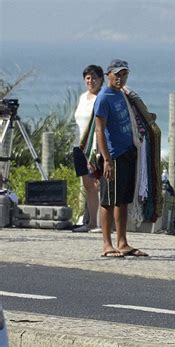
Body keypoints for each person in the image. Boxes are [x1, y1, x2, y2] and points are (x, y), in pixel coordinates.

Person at [94, 59, 148, 258]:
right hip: (113, 155)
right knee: (108, 200)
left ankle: (122, 242)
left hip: (128, 152)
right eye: (117, 74)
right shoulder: (104, 98)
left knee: (122, 200)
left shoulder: (122, 95)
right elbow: (99, 130)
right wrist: (106, 159)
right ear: (108, 74)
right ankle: (107, 244)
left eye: (124, 74)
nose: (120, 78)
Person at [72, 64, 103, 232]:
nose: (91, 81)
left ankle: (102, 223)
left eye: (94, 78)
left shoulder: (103, 97)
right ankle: (91, 222)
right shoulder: (83, 97)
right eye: (88, 78)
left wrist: (98, 149)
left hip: (95, 147)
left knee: (98, 184)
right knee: (88, 185)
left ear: (101, 80)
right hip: (79, 146)